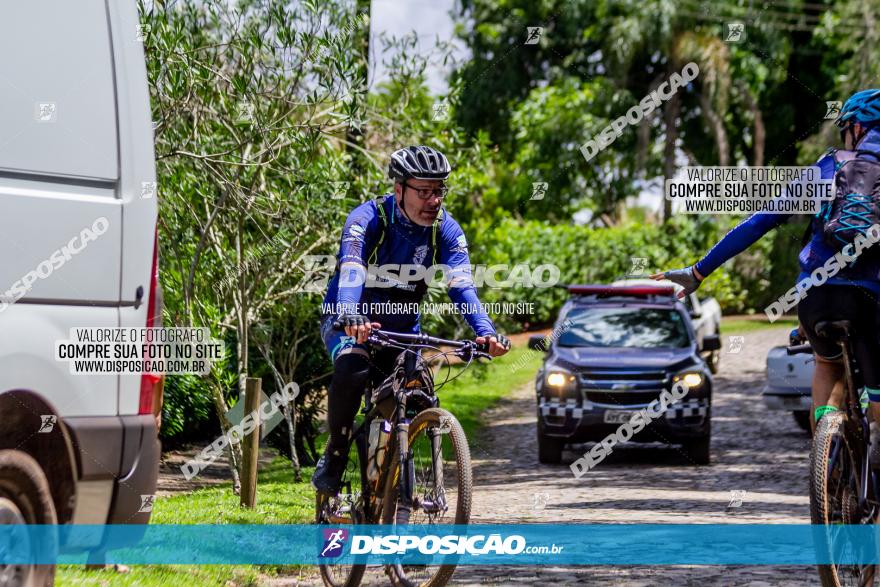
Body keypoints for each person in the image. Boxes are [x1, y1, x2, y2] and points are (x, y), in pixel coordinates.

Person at [653, 89, 880, 439]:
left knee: (827, 364)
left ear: (857, 128)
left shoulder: (828, 166)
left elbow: (759, 222)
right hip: (870, 299)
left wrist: (698, 271)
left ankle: (825, 455)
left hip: (815, 297)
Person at [312, 145, 510, 494]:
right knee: (352, 368)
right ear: (399, 189)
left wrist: (485, 332)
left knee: (418, 394)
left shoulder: (445, 230)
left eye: (439, 191)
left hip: (401, 331)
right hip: (347, 319)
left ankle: (392, 478)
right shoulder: (368, 219)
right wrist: (350, 312)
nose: (433, 201)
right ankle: (337, 454)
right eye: (424, 191)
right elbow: (352, 269)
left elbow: (461, 285)